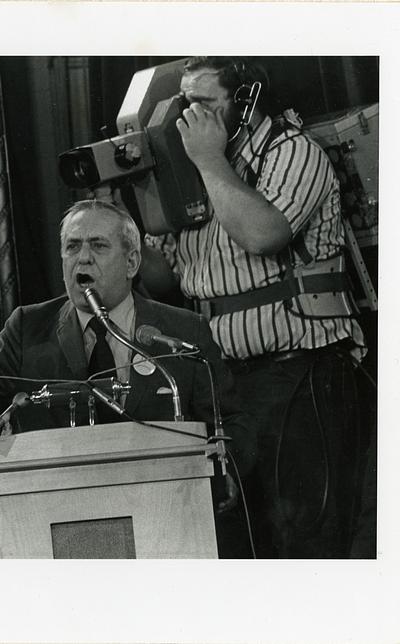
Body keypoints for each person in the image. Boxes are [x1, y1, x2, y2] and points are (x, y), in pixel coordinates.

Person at [0, 199, 253, 520]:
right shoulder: (30, 328)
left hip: (164, 513)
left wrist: (225, 473)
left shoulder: (181, 331)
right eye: (72, 247)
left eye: (98, 245)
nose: (83, 258)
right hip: (60, 518)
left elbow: (230, 421)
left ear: (132, 261)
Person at [140, 57, 366, 558]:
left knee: (304, 538)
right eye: (183, 103)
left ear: (244, 100)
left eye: (202, 103)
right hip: (223, 384)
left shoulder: (291, 152)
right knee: (242, 538)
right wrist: (132, 222)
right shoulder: (189, 170)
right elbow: (168, 281)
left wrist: (209, 161)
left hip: (298, 376)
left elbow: (265, 235)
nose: (187, 116)